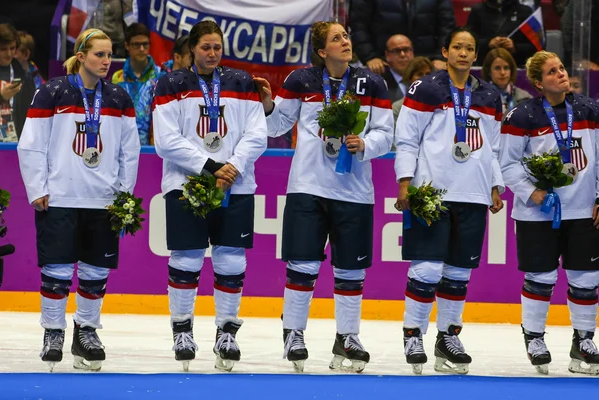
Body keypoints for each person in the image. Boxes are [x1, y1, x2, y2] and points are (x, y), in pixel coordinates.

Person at [253, 21, 394, 373]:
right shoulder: (301, 80)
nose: (345, 41)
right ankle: (294, 332)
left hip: (355, 190)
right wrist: (269, 105)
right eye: (337, 38)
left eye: (346, 36)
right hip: (308, 187)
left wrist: (365, 144)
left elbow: (385, 133)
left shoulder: (372, 83)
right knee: (303, 265)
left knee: (351, 270)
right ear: (321, 51)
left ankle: (347, 336)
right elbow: (276, 127)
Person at [17, 28, 140, 372]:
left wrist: (124, 194)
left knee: (95, 272)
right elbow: (31, 143)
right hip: (59, 195)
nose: (106, 61)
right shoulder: (52, 92)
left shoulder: (119, 98)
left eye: (110, 54)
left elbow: (130, 151)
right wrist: (37, 187)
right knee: (56, 270)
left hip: (103, 200)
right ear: (82, 55)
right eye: (100, 54)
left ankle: (86, 331)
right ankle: (53, 333)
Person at [152, 20, 267, 373]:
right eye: (206, 47)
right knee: (186, 257)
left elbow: (257, 132)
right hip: (187, 185)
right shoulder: (171, 84)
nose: (212, 53)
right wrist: (209, 166)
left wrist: (231, 166)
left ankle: (226, 332)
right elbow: (165, 140)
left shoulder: (242, 82)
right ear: (192, 49)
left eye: (217, 47)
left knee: (230, 259)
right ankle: (182, 331)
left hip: (235, 183)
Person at [394, 26, 504, 375]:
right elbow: (407, 140)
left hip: (472, 192)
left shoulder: (489, 95)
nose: (463, 53)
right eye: (457, 46)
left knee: (457, 273)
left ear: (475, 56)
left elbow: (494, 148)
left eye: (469, 48)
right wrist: (405, 183)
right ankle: (413, 334)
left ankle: (448, 336)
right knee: (427, 269)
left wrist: (495, 186)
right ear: (445, 51)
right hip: (431, 193)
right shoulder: (425, 88)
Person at [499, 50, 599, 375]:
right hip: (537, 213)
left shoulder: (589, 109)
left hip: (584, 210)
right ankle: (534, 337)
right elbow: (508, 165)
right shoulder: (521, 116)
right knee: (541, 278)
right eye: (553, 71)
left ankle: (583, 340)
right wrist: (534, 193)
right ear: (539, 83)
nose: (561, 74)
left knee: (586, 279)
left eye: (562, 68)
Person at [112, 23, 160, 145]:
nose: (142, 49)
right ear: (127, 46)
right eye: (136, 45)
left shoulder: (161, 76)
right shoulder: (118, 78)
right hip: (123, 145)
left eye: (145, 44)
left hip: (153, 148)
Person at [0, 23, 34, 141]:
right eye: (3, 49)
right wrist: (1, 97)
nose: (9, 54)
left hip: (15, 143)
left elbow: (30, 116)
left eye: (12, 48)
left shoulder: (25, 78)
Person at [481, 48, 532, 115]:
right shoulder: (480, 98)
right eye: (497, 68)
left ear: (511, 70)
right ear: (488, 71)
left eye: (506, 68)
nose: (502, 73)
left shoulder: (525, 98)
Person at [392, 56, 434, 123]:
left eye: (428, 74)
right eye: (420, 74)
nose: (425, 78)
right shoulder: (398, 107)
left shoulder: (440, 105)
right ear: (410, 78)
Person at [382, 34, 415, 103]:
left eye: (406, 50)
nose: (402, 55)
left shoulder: (423, 76)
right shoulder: (379, 82)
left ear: (412, 52)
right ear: (387, 55)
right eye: (396, 51)